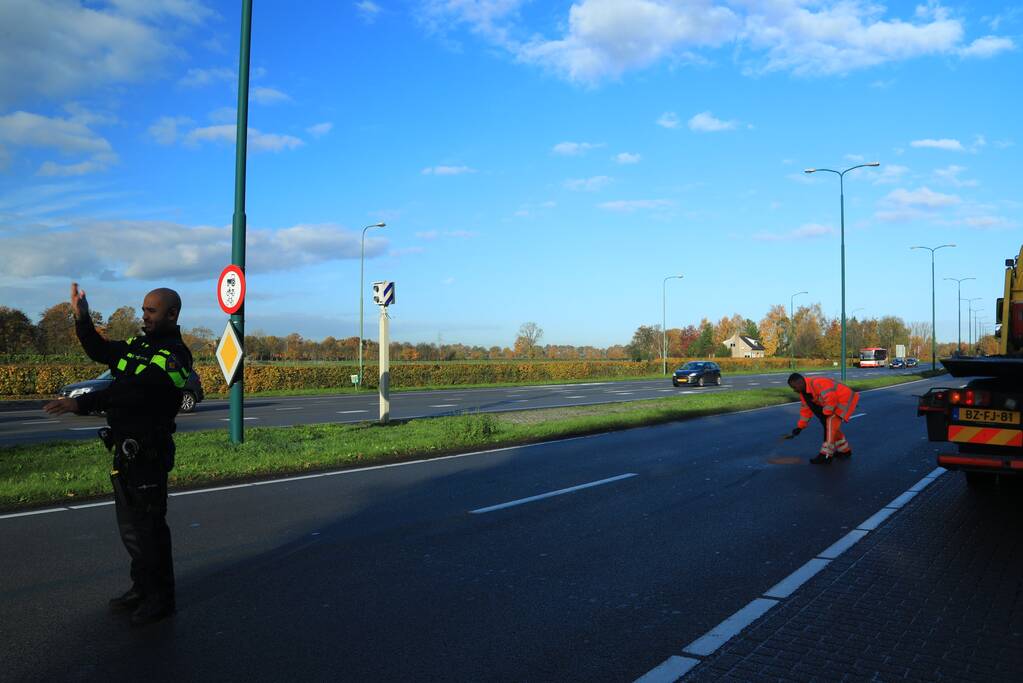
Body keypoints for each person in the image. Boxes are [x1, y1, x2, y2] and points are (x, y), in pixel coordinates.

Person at [44, 283, 193, 626]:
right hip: (125, 451)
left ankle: (161, 598)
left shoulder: (176, 355)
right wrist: (81, 317)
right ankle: (141, 588)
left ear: (172, 314)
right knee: (131, 528)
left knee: (150, 528)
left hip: (149, 453)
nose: (144, 316)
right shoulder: (138, 345)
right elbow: (99, 350)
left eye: (151, 311)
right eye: (143, 310)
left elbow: (133, 390)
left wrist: (80, 402)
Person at [784, 372, 860, 465]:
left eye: (794, 387)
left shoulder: (817, 383)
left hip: (844, 400)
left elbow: (831, 399)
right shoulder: (804, 393)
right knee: (832, 428)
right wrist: (800, 427)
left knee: (830, 425)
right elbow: (806, 409)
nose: (794, 390)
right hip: (833, 403)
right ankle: (845, 451)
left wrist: (826, 414)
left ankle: (826, 456)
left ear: (800, 382)